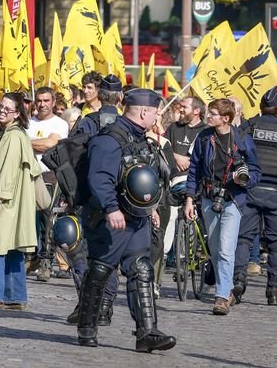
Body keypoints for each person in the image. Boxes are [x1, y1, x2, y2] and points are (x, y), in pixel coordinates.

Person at [75, 88, 175, 352]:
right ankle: (86, 328)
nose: (157, 117)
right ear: (144, 112)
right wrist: (111, 209)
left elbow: (143, 176)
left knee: (141, 268)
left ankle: (147, 333)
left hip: (137, 216)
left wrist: (150, 207)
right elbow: (99, 179)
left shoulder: (140, 138)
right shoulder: (109, 139)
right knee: (100, 270)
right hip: (110, 218)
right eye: (155, 112)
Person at [185, 97, 260, 315]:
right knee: (216, 250)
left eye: (212, 114)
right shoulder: (204, 138)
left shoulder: (242, 139)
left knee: (227, 250)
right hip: (209, 197)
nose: (208, 116)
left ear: (225, 118)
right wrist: (190, 198)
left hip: (233, 200)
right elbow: (194, 170)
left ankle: (221, 298)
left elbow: (255, 170)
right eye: (209, 112)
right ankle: (226, 289)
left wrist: (243, 180)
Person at [231, 88, 277, 306]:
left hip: (249, 192)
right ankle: (274, 292)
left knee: (243, 239)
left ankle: (238, 282)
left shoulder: (249, 127)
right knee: (276, 244)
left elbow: (236, 154)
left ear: (261, 108)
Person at [64, 75, 123, 325]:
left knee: (80, 254)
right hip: (120, 201)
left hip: (88, 198)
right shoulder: (127, 124)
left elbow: (71, 160)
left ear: (100, 94)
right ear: (120, 98)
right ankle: (105, 306)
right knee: (110, 256)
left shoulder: (87, 122)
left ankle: (88, 304)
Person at [0, 91, 39, 310]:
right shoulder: (15, 134)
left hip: (7, 201)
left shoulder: (12, 136)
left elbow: (9, 172)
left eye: (6, 109)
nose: (1, 111)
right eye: (0, 107)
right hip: (15, 200)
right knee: (12, 249)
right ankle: (15, 296)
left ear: (17, 113)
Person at [28, 86, 69, 281]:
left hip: (48, 176)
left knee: (47, 220)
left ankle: (46, 261)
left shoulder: (59, 124)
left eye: (46, 100)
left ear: (53, 102)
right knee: (28, 221)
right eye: (39, 100)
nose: (42, 104)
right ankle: (31, 257)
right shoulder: (28, 122)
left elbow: (50, 144)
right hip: (27, 173)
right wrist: (36, 142)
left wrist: (26, 142)